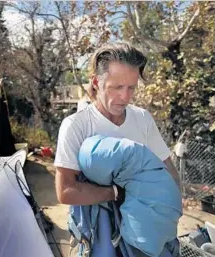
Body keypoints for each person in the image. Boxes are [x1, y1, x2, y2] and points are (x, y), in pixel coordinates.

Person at [54, 42, 181, 255]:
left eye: (131, 87)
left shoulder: (142, 119)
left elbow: (169, 171)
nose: (125, 96)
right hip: (98, 237)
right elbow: (65, 191)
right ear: (96, 82)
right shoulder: (77, 125)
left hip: (146, 232)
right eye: (117, 87)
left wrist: (166, 210)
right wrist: (115, 193)